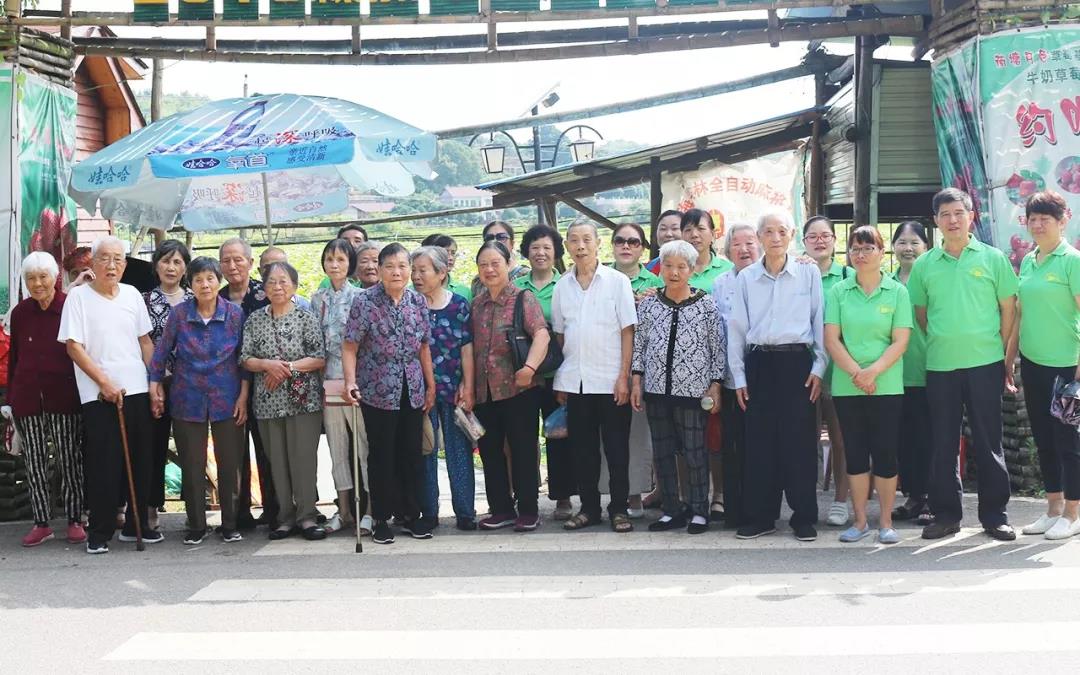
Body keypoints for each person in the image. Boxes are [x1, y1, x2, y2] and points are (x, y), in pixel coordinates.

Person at [908, 187, 1018, 541]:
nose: (952, 220)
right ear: (936, 222)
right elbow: (921, 315)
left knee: (989, 442)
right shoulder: (925, 265)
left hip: (986, 363)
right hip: (940, 365)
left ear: (972, 216)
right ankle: (945, 515)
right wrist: (947, 340)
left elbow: (1008, 310)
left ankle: (995, 515)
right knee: (943, 443)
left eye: (959, 213)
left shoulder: (992, 258)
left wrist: (1000, 353)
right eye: (945, 215)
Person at [727, 211, 827, 542]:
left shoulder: (807, 274)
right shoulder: (746, 278)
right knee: (759, 443)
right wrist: (739, 377)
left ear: (791, 234)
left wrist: (818, 367)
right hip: (759, 365)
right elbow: (737, 329)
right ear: (759, 237)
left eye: (781, 231)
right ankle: (762, 516)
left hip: (796, 364)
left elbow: (819, 322)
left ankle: (803, 516)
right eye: (767, 231)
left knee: (798, 444)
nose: (774, 237)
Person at [58, 236, 160, 554]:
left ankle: (135, 525)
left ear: (125, 265)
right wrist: (104, 382)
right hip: (99, 394)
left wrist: (155, 382)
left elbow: (145, 342)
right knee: (105, 462)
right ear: (93, 263)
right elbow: (73, 346)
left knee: (141, 459)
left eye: (118, 259)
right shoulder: (78, 299)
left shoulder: (131, 295)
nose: (112, 265)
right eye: (105, 258)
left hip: (136, 389)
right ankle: (100, 532)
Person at [342, 243, 437, 545]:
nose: (397, 272)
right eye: (390, 266)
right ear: (380, 270)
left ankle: (410, 515)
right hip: (376, 388)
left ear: (410, 269)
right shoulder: (365, 302)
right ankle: (381, 517)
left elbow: (424, 346)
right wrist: (349, 381)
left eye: (403, 266)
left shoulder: (418, 302)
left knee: (411, 453)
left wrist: (430, 384)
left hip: (412, 387)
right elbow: (349, 346)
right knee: (382, 456)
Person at [149, 257, 248, 545]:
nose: (205, 284)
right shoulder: (179, 315)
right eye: (198, 279)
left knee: (230, 463)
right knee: (192, 464)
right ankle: (196, 524)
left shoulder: (234, 314)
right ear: (189, 284)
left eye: (210, 278)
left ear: (219, 281)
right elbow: (161, 352)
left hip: (227, 396)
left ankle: (229, 524)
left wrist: (243, 395)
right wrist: (155, 384)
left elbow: (244, 358)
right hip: (187, 396)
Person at [824, 226, 912, 545]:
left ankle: (885, 522)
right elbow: (832, 339)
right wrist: (857, 374)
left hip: (887, 385)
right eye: (855, 249)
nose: (861, 255)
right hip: (848, 387)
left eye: (868, 248)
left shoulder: (897, 292)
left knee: (886, 454)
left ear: (881, 251)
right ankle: (860, 520)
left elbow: (901, 340)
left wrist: (872, 372)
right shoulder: (839, 292)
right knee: (856, 453)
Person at [632, 240, 725, 534]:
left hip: (692, 391)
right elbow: (639, 345)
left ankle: (699, 509)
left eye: (681, 267)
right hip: (656, 389)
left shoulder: (706, 304)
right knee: (663, 452)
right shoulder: (649, 303)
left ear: (691, 269)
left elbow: (717, 348)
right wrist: (637, 380)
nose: (674, 272)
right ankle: (672, 509)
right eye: (668, 266)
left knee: (695, 451)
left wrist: (715, 385)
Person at [553, 220, 638, 533]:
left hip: (611, 381)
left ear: (598, 243)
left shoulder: (617, 282)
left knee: (616, 450)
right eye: (574, 240)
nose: (580, 246)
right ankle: (589, 508)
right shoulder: (563, 285)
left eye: (586, 239)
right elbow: (561, 335)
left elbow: (628, 331)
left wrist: (624, 376)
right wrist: (563, 377)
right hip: (575, 382)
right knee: (583, 451)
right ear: (567, 246)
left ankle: (619, 508)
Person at [1007, 191, 1080, 540]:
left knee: (1068, 441)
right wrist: (1009, 361)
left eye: (1045, 219)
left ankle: (1073, 512)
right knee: (1044, 439)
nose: (1037, 225)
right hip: (1033, 365)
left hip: (1068, 368)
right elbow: (1020, 316)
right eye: (1032, 219)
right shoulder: (1030, 261)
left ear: (1062, 221)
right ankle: (1052, 508)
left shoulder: (1072, 261)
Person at [241, 261, 327, 542]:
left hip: (303, 401)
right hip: (267, 401)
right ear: (263, 288)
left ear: (294, 286)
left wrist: (286, 368)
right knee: (276, 461)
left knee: (303, 459)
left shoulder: (306, 318)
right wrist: (267, 364)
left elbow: (318, 357)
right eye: (271, 282)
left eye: (283, 281)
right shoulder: (254, 320)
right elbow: (245, 358)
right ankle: (284, 518)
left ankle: (307, 517)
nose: (277, 287)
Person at [471, 241, 549, 531]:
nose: (489, 270)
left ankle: (528, 509)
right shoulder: (477, 303)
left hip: (520, 389)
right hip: (484, 391)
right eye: (483, 265)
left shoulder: (522, 298)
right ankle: (501, 508)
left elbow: (541, 334)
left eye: (495, 263)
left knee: (523, 450)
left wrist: (529, 368)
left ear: (508, 264)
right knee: (489, 451)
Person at [10, 252, 85, 548]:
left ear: (55, 278)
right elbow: (15, 356)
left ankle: (74, 518)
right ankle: (41, 522)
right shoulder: (20, 313)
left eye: (43, 277)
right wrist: (12, 397)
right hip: (28, 396)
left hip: (64, 395)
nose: (37, 283)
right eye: (31, 278)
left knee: (69, 459)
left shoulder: (70, 305)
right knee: (35, 462)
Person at [411, 245, 477, 531]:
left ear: (442, 273)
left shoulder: (459, 304)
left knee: (458, 451)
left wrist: (469, 385)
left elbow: (467, 348)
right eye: (414, 270)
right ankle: (429, 512)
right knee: (425, 451)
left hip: (454, 390)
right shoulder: (410, 304)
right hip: (420, 392)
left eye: (422, 270)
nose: (415, 276)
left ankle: (465, 512)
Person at [515, 224, 574, 519]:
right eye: (535, 247)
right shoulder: (516, 287)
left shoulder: (565, 284)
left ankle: (562, 496)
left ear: (556, 253)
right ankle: (526, 499)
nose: (540, 253)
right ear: (527, 251)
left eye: (547, 248)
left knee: (559, 435)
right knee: (524, 439)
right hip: (524, 377)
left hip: (556, 374)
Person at [310, 239, 369, 535]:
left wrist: (355, 380)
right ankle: (343, 510)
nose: (335, 264)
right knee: (337, 449)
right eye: (330, 259)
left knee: (363, 448)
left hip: (356, 382)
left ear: (350, 264)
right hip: (327, 382)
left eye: (341, 259)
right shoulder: (316, 299)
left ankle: (369, 510)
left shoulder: (362, 298)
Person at [219, 237, 279, 530]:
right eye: (226, 261)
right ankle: (238, 512)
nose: (232, 266)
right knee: (234, 452)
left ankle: (275, 510)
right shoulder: (215, 298)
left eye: (238, 259)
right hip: (228, 386)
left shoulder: (266, 293)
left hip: (266, 384)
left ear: (251, 263)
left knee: (268, 449)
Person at [608, 222, 662, 518]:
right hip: (606, 365)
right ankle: (614, 493)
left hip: (642, 368)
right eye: (620, 241)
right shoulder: (600, 278)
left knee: (639, 435)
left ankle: (636, 493)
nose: (626, 246)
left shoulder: (654, 283)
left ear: (642, 248)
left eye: (633, 241)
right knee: (612, 435)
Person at [711, 223, 760, 529]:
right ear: (727, 251)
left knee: (760, 444)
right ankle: (733, 508)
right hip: (730, 376)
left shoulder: (768, 279)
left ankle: (759, 506)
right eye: (736, 244)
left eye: (750, 243)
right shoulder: (720, 283)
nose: (744, 249)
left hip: (762, 373)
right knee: (733, 444)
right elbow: (717, 332)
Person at [803, 215, 851, 528]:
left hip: (840, 370)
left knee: (841, 438)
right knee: (804, 439)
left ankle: (841, 500)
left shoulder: (847, 275)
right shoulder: (797, 273)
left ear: (835, 241)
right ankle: (805, 500)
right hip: (803, 371)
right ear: (804, 241)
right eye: (813, 236)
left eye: (826, 236)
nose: (820, 241)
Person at [142, 239, 192, 532]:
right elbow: (141, 341)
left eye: (177, 262)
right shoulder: (144, 300)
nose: (171, 267)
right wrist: (154, 379)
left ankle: (194, 509)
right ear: (156, 264)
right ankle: (150, 508)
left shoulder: (194, 298)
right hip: (157, 383)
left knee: (190, 448)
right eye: (165, 260)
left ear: (185, 267)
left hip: (190, 385)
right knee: (154, 447)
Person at [890, 221, 935, 526]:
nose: (908, 248)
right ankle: (914, 496)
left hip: (929, 369)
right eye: (902, 242)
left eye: (915, 242)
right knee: (903, 440)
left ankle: (934, 498)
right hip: (894, 375)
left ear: (926, 247)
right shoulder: (884, 281)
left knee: (931, 438)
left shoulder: (932, 278)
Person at [471, 221, 529, 298]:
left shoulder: (526, 276)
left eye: (502, 237)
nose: (496, 241)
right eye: (489, 238)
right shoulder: (479, 281)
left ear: (512, 244)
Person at [681, 208, 733, 292]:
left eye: (701, 229)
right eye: (688, 230)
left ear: (712, 235)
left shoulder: (729, 270)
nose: (694, 235)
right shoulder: (672, 269)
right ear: (682, 236)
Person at [259, 246, 312, 312]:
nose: (274, 270)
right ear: (259, 271)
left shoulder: (303, 307)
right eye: (268, 267)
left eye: (280, 265)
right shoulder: (252, 303)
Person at [422, 233, 471, 301]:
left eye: (453, 253)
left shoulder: (464, 291)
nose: (450, 257)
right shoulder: (412, 292)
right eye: (445, 252)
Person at [318, 224, 369, 289]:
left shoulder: (372, 276)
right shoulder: (326, 283)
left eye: (357, 241)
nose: (352, 244)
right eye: (345, 241)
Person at [645, 210, 684, 274]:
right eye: (663, 229)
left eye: (675, 228)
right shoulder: (649, 269)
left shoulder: (697, 265)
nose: (668, 234)